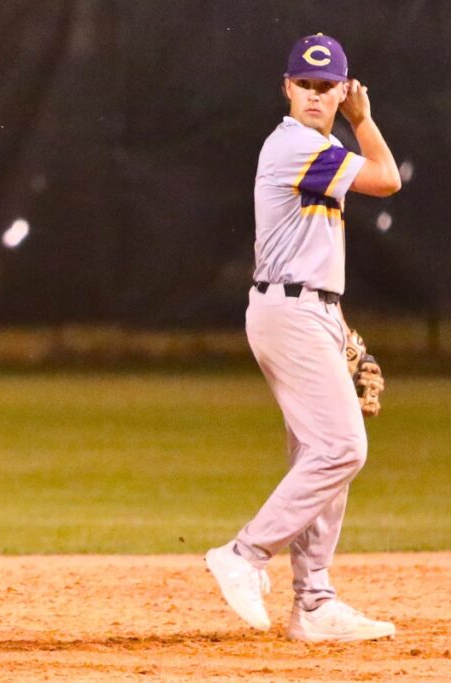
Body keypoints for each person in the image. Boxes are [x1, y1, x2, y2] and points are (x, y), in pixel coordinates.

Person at [205, 34, 401, 642]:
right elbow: (388, 179)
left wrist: (337, 325)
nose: (317, 95)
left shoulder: (318, 146)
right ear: (288, 87)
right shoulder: (296, 145)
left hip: (308, 308)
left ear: (340, 87)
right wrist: (364, 121)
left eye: (327, 86)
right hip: (288, 312)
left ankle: (313, 602)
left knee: (321, 455)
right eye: (307, 85)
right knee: (344, 447)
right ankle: (244, 553)